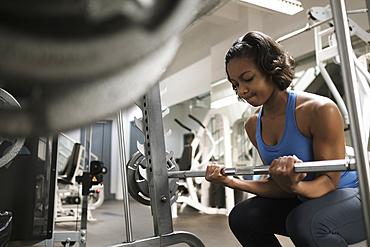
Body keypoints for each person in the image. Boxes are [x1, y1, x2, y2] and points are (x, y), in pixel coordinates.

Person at [205, 31, 365, 247]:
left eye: (248, 79)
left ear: (271, 69)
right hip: (308, 197)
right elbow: (278, 185)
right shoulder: (253, 125)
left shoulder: (319, 109)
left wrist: (294, 187)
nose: (242, 90)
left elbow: (328, 182)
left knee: (305, 222)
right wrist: (229, 181)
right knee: (242, 217)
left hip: (357, 194)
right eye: (235, 84)